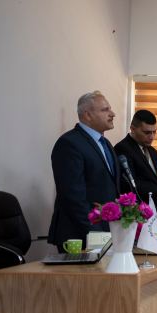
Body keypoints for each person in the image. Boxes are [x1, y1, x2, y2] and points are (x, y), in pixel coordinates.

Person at [48, 91, 121, 251]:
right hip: (80, 234)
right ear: (87, 115)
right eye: (105, 110)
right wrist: (95, 234)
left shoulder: (106, 144)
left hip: (105, 232)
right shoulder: (69, 143)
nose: (112, 114)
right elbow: (72, 197)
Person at [114, 109, 157, 220]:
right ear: (133, 129)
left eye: (154, 132)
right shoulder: (122, 148)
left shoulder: (153, 152)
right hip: (138, 217)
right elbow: (130, 184)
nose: (152, 137)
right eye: (147, 133)